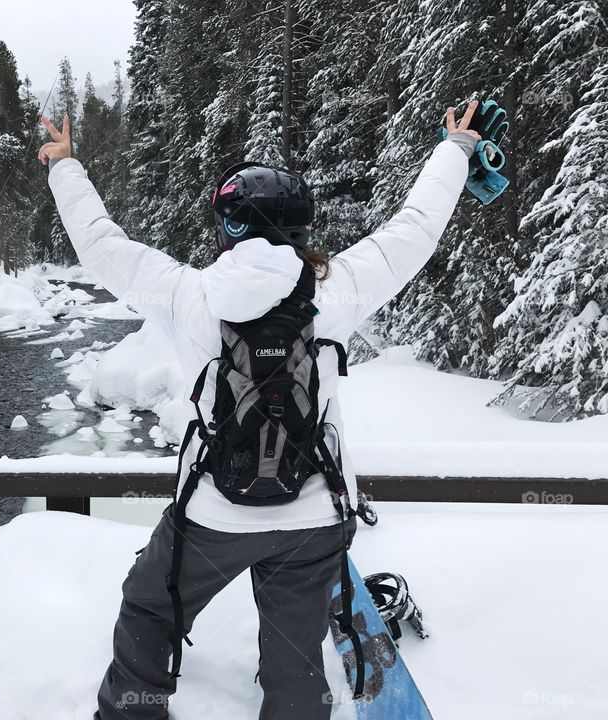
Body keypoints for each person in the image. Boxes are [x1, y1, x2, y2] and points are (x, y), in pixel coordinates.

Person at [38, 102, 482, 720]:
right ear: (300, 229)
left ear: (229, 229)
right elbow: (414, 230)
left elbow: (101, 244)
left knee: (150, 607)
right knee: (295, 652)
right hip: (313, 518)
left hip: (213, 514)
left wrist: (65, 166)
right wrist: (454, 149)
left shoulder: (186, 294)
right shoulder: (338, 290)